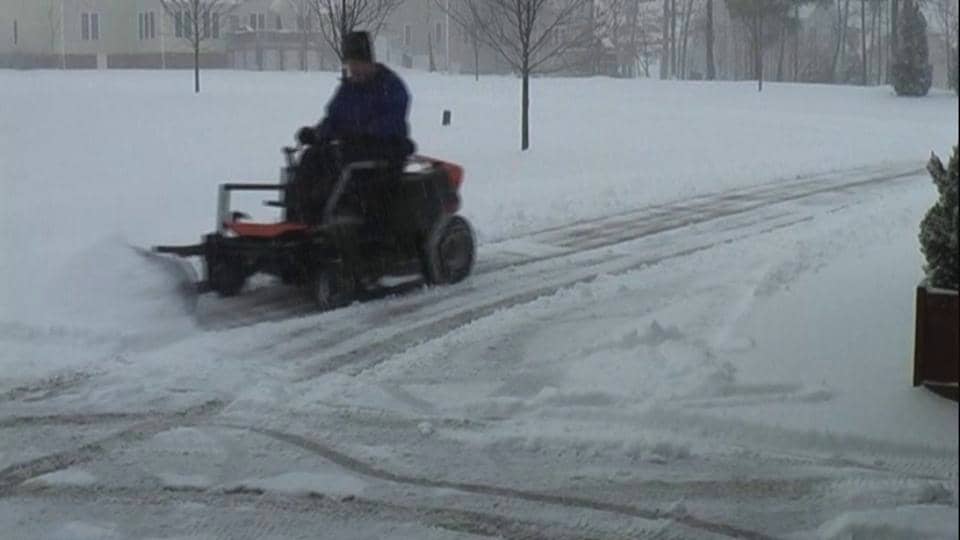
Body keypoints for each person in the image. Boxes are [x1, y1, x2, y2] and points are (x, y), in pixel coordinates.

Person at [290, 31, 415, 224]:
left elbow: (392, 121)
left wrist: (364, 134)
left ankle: (339, 217)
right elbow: (334, 118)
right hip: (350, 145)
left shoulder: (390, 86)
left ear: (369, 61)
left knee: (344, 162)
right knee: (312, 157)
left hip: (385, 148)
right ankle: (300, 213)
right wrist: (316, 134)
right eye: (350, 65)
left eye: (357, 64)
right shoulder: (348, 89)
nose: (353, 70)